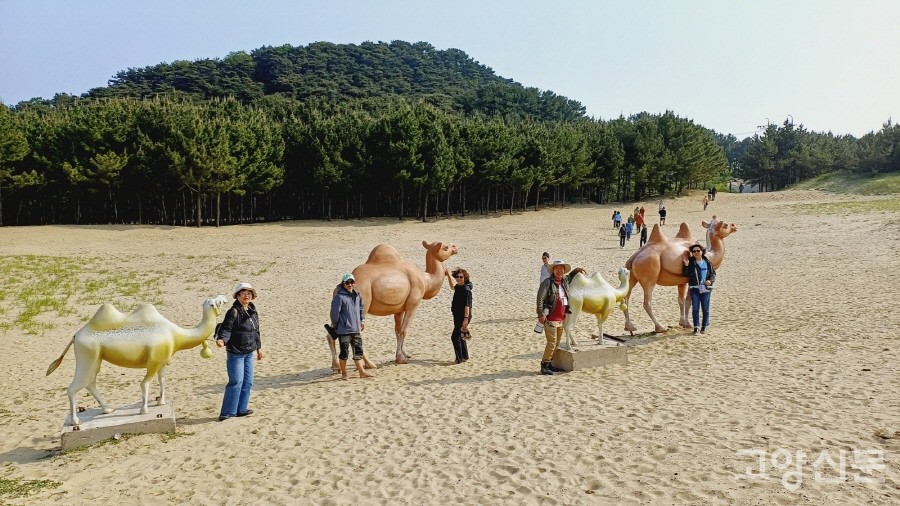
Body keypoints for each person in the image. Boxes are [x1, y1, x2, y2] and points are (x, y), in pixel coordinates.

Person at [216, 282, 263, 421]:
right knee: (236, 382)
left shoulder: (253, 311)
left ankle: (241, 409)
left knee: (248, 382)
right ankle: (227, 412)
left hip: (249, 352)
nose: (246, 295)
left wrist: (259, 348)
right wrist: (222, 340)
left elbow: (256, 331)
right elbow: (226, 329)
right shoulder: (233, 312)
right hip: (236, 353)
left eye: (249, 293)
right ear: (237, 296)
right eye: (243, 293)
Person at [536, 260, 585, 375]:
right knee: (551, 343)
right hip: (550, 319)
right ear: (553, 270)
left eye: (561, 269)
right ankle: (544, 365)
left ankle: (550, 364)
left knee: (557, 344)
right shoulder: (547, 283)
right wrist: (540, 314)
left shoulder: (564, 281)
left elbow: (571, 276)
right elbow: (540, 299)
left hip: (561, 319)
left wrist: (577, 270)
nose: (559, 271)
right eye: (557, 268)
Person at [330, 273, 373, 380]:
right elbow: (334, 313)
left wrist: (362, 321)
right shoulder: (339, 297)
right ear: (343, 283)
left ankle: (362, 372)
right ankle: (344, 374)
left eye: (352, 282)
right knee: (344, 353)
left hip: (356, 329)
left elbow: (360, 309)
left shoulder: (357, 295)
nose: (350, 285)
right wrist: (336, 325)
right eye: (347, 283)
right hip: (344, 330)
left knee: (358, 351)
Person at [683, 244, 716, 335]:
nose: (696, 252)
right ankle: (696, 327)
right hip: (694, 289)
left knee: (705, 309)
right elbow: (686, 274)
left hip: (706, 288)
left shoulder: (707, 262)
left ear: (702, 252)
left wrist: (710, 280)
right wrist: (686, 266)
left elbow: (713, 274)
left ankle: (704, 327)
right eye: (694, 251)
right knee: (695, 309)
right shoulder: (691, 263)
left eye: (698, 251)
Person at [444, 267, 473, 364]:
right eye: (457, 277)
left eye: (461, 277)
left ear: (465, 278)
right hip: (457, 315)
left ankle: (458, 359)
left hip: (463, 316)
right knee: (460, 336)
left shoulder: (466, 290)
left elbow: (467, 306)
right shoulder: (458, 286)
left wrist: (465, 319)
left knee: (454, 337)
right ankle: (464, 356)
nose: (459, 279)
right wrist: (448, 276)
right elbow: (452, 287)